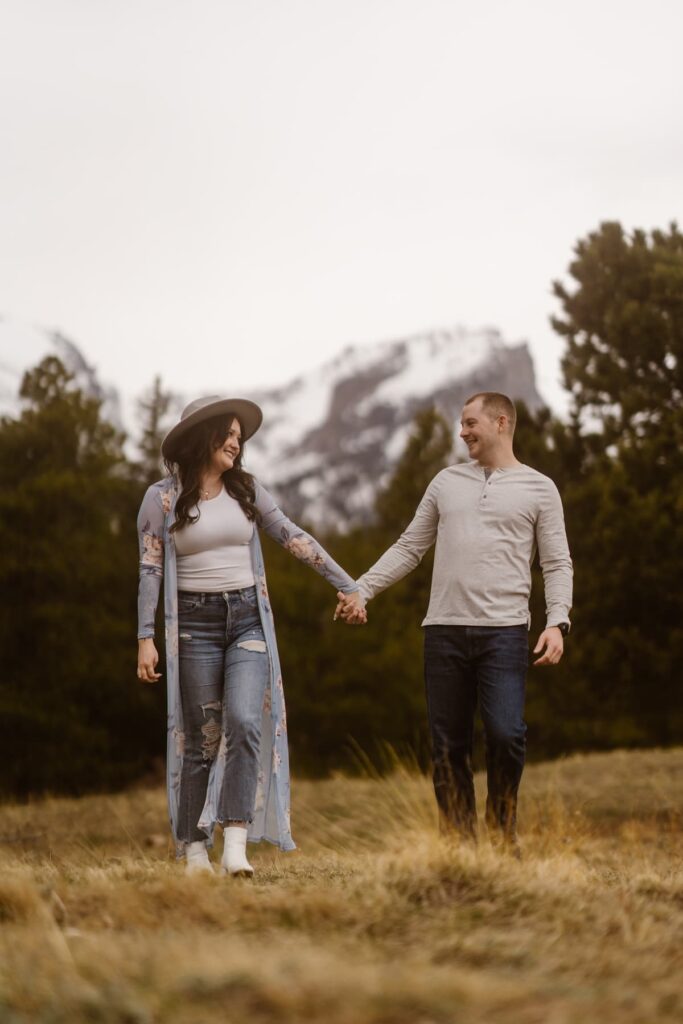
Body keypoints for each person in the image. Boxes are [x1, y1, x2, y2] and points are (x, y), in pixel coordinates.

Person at [137, 395, 365, 876]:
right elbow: (150, 570)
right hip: (194, 629)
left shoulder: (247, 491)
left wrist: (351, 586)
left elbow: (294, 538)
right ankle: (195, 848)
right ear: (206, 436)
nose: (238, 444)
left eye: (241, 437)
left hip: (246, 620)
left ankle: (235, 844)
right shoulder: (161, 499)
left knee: (243, 720)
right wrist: (145, 636)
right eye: (231, 434)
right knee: (202, 738)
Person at [336, 392, 572, 853]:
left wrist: (556, 621)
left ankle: (502, 837)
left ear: (501, 422)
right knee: (448, 747)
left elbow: (558, 562)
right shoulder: (446, 482)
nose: (461, 432)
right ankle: (460, 848)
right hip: (443, 631)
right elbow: (409, 547)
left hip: (504, 632)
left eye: (470, 423)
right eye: (461, 424)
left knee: (506, 735)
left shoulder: (540, 488)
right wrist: (362, 588)